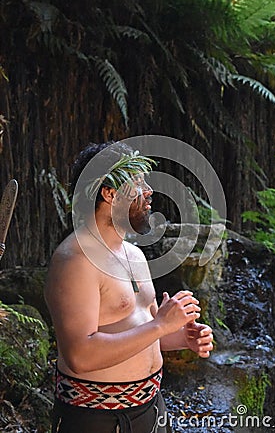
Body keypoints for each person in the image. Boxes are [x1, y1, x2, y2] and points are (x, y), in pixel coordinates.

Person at [44, 141, 213, 433]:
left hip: (151, 409)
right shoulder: (75, 262)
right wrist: (161, 326)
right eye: (138, 183)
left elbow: (139, 332)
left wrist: (181, 337)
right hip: (96, 419)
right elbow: (80, 356)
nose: (148, 191)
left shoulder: (133, 254)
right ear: (109, 193)